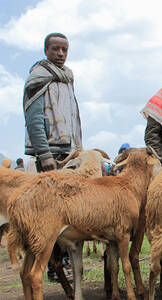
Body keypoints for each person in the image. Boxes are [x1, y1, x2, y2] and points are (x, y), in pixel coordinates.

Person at [23, 32, 82, 282]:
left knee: (71, 212)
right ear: (46, 50)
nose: (60, 54)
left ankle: (65, 261)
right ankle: (52, 263)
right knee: (51, 213)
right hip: (51, 154)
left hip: (69, 153)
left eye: (64, 50)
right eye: (55, 49)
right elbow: (34, 118)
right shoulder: (38, 78)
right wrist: (44, 153)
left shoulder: (66, 78)